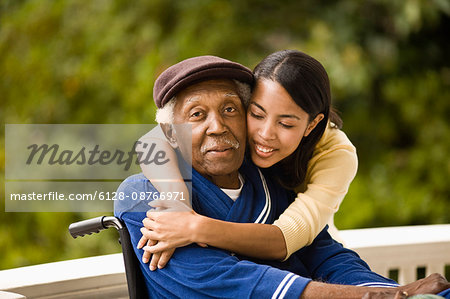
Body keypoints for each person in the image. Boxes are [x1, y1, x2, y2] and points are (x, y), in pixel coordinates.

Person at [114, 55, 450, 298]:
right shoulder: (142, 195)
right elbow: (229, 282)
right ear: (171, 132)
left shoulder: (271, 180)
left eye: (230, 109)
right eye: (198, 115)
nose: (217, 126)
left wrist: (392, 291)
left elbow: (325, 253)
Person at [138, 50, 357, 270]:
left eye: (286, 124)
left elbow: (285, 239)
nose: (265, 134)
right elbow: (152, 141)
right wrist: (177, 202)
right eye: (257, 114)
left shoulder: (336, 153)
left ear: (312, 124)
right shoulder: (229, 123)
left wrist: (193, 227)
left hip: (306, 246)